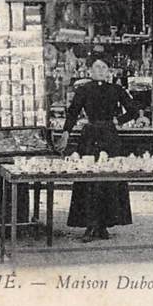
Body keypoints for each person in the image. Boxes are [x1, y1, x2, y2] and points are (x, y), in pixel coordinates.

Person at [56, 59, 135, 241]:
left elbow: (132, 110)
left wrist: (118, 121)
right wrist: (66, 133)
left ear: (109, 71)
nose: (100, 70)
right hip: (90, 137)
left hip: (110, 136)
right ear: (90, 71)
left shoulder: (117, 90)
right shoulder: (83, 90)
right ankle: (90, 225)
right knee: (89, 179)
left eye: (104, 67)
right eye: (97, 67)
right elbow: (73, 112)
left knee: (109, 179)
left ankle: (104, 225)